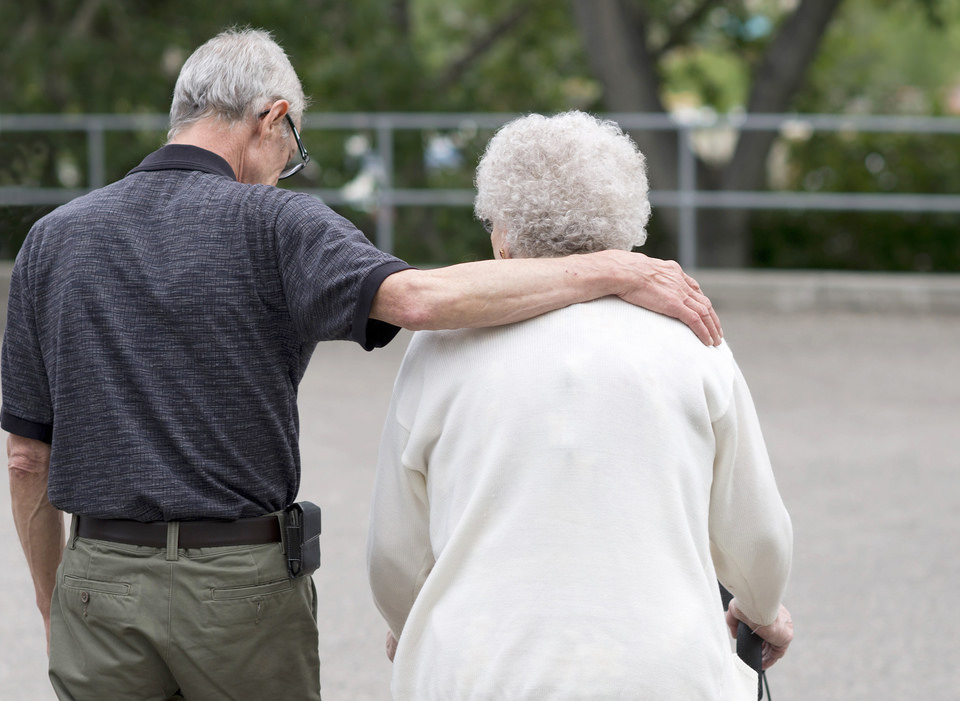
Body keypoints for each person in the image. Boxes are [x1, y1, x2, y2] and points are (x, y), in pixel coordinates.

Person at [1, 30, 721, 701]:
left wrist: (55, 596)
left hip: (98, 580)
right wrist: (611, 267)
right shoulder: (278, 224)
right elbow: (419, 299)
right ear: (271, 118)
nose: (286, 169)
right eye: (293, 148)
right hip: (237, 586)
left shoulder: (53, 240)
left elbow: (28, 456)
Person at [366, 111, 793, 700]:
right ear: (627, 223)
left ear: (503, 234)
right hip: (660, 673)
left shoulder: (439, 349)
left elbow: (395, 551)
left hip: (481, 673)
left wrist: (407, 621)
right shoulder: (691, 337)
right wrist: (762, 606)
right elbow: (757, 535)